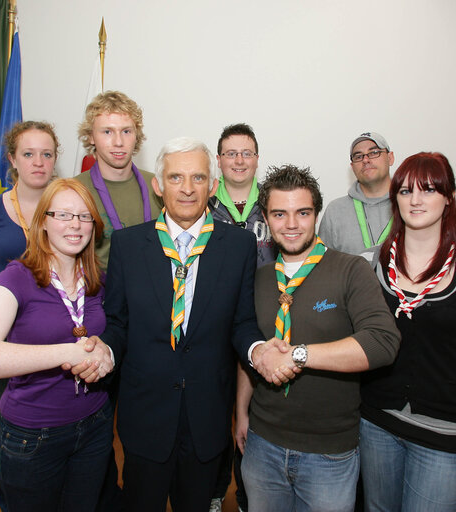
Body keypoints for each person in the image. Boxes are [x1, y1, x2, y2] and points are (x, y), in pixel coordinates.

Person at [99, 137, 288, 512]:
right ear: (158, 184)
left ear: (212, 186)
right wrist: (103, 349)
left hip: (206, 417)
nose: (187, 188)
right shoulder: (127, 245)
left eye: (198, 178)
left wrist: (257, 349)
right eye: (176, 177)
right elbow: (117, 322)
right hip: (145, 416)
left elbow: (242, 322)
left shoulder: (238, 246)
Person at [241, 165, 401, 512]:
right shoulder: (258, 278)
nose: (292, 224)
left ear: (316, 214)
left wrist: (298, 355)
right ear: (266, 219)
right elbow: (252, 347)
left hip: (329, 451)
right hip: (262, 443)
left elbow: (382, 342)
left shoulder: (350, 269)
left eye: (303, 212)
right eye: (279, 214)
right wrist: (241, 412)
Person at [358, 152, 456, 511]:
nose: (416, 200)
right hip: (377, 423)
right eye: (406, 191)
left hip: (445, 433)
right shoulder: (368, 265)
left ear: (449, 197)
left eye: (428, 190)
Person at [0, 179, 115, 512]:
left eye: (84, 216)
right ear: (43, 222)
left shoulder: (97, 280)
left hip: (95, 426)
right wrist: (67, 352)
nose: (75, 224)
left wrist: (105, 352)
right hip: (34, 436)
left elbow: (112, 335)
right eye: (63, 214)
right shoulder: (16, 277)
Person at [0, 121, 59, 438]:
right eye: (29, 153)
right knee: (15, 430)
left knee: (58, 426)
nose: (39, 162)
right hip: (5, 338)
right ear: (13, 159)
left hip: (59, 335)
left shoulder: (69, 207)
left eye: (47, 154)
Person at [208, 122, 275, 512]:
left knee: (256, 418)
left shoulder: (274, 202)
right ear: (219, 160)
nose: (238, 160)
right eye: (230, 153)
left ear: (256, 159)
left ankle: (252, 497)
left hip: (264, 322)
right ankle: (216, 494)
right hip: (215, 325)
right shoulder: (202, 200)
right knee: (216, 415)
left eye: (246, 152)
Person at [75, 90, 162, 270]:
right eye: (107, 131)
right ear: (91, 136)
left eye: (126, 131)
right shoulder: (73, 191)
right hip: (98, 294)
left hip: (153, 291)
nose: (119, 142)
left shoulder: (158, 186)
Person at [319, 132, 394, 255]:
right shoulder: (335, 211)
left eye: (374, 152)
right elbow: (323, 266)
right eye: (358, 156)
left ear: (390, 158)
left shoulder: (409, 205)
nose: (365, 160)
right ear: (352, 166)